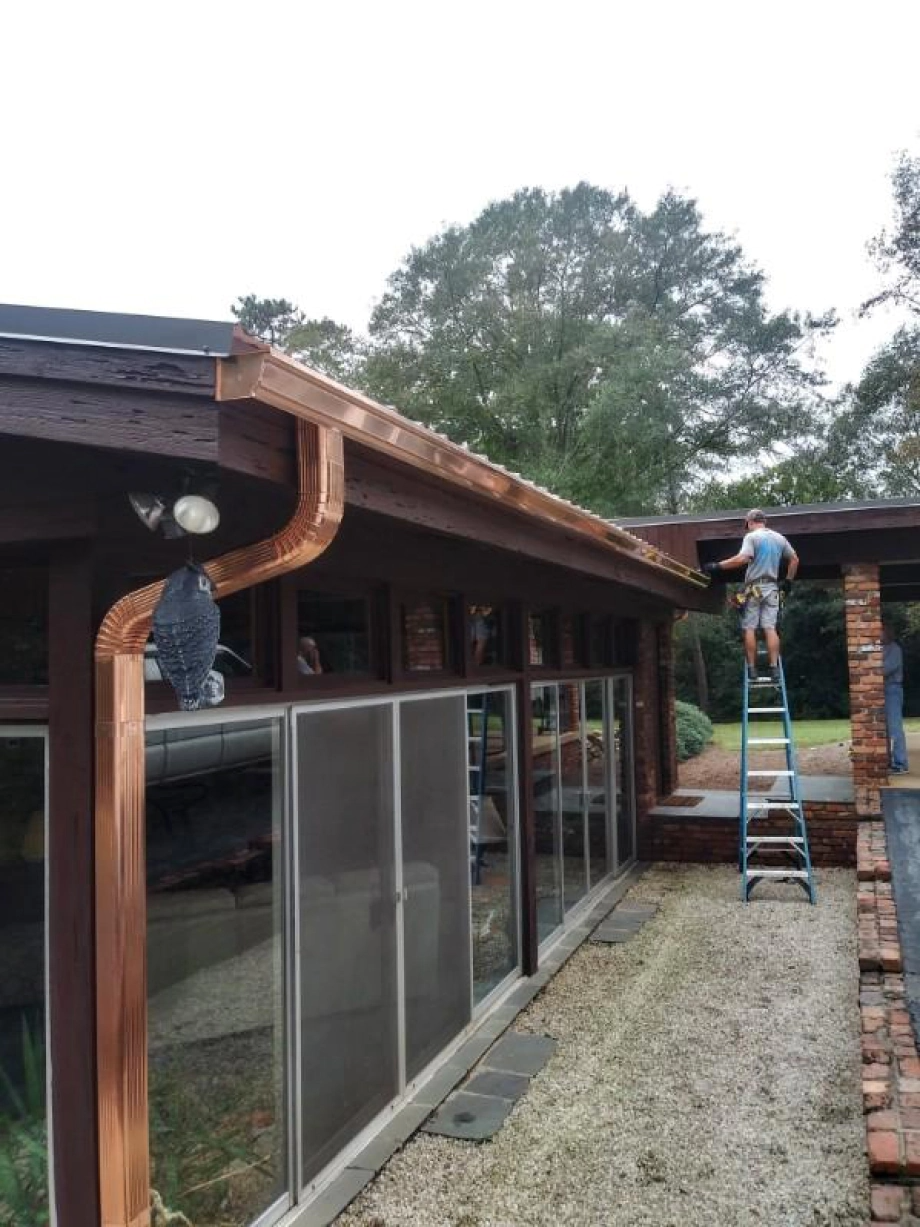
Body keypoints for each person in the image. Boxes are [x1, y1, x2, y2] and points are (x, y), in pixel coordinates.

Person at [703, 508, 799, 683]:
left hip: (754, 588)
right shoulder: (779, 538)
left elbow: (743, 559)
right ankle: (774, 668)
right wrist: (788, 581)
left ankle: (752, 670)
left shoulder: (752, 537)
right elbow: (795, 559)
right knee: (770, 628)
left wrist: (717, 566)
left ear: (749, 522)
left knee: (750, 628)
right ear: (764, 521)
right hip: (772, 588)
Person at [883, 624, 909, 773]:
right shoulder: (881, 649)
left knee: (895, 728)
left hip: (892, 690)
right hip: (881, 690)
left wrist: (869, 666)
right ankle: (888, 762)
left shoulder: (895, 649)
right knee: (884, 730)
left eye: (880, 630)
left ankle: (901, 764)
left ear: (887, 632)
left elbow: (884, 669)